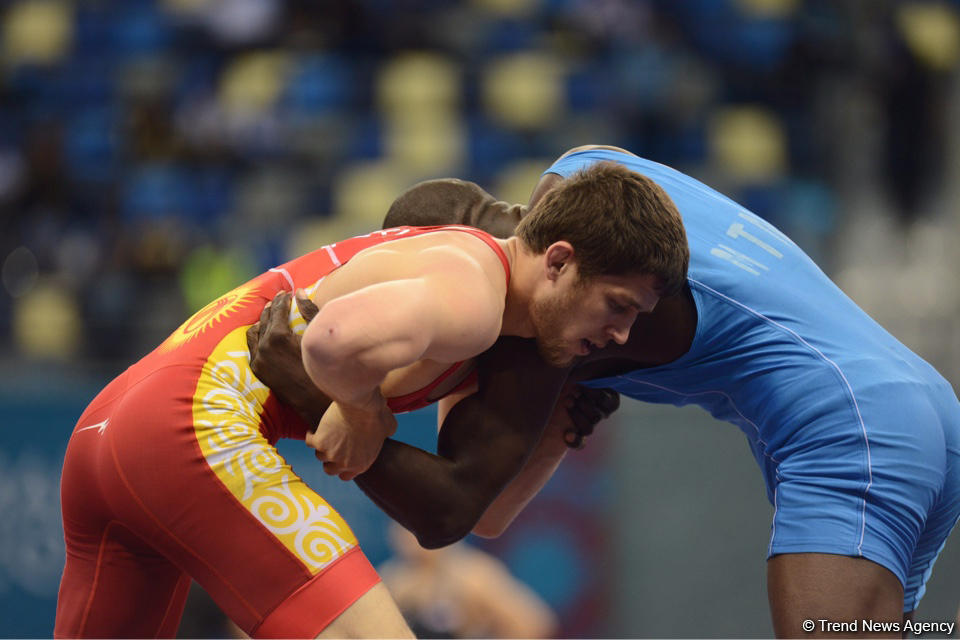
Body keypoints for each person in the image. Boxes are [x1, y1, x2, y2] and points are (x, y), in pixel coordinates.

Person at [249, 145, 960, 638]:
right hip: (923, 406)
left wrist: (333, 404)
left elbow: (459, 509)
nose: (620, 334)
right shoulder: (595, 182)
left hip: (853, 429)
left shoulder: (539, 330)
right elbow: (491, 510)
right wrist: (556, 428)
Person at [54, 161, 689, 638]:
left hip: (108, 431)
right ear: (557, 261)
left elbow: (474, 509)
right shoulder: (473, 293)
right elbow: (333, 339)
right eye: (618, 306)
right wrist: (358, 411)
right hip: (190, 432)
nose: (622, 336)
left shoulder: (465, 286)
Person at [378, 522, 557, 639]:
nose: (407, 535)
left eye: (413, 526)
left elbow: (533, 624)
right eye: (402, 525)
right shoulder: (393, 579)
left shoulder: (473, 576)